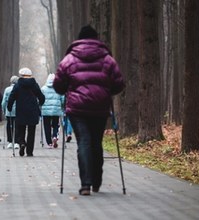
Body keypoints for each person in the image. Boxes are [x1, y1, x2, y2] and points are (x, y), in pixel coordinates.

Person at [53, 25, 125, 196]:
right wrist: (106, 92)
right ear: (96, 39)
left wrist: (67, 90)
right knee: (96, 142)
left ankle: (85, 183)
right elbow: (119, 84)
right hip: (100, 107)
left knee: (84, 142)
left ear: (79, 39)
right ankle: (97, 181)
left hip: (77, 108)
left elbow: (58, 84)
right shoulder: (107, 59)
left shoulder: (69, 59)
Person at [7, 67, 45, 157]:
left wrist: (9, 107)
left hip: (21, 110)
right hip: (33, 110)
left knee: (21, 129)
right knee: (31, 131)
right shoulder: (34, 84)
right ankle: (29, 151)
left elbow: (12, 97)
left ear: (21, 75)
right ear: (30, 75)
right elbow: (41, 97)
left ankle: (22, 143)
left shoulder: (18, 85)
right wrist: (40, 104)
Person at [40, 73, 64, 148]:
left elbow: (40, 98)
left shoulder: (43, 88)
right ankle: (54, 136)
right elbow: (63, 99)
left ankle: (49, 143)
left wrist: (40, 105)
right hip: (56, 110)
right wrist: (62, 105)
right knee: (56, 124)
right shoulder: (59, 88)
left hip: (46, 111)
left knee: (47, 126)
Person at [1, 75, 20, 149]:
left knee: (9, 126)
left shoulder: (7, 89)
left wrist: (3, 109)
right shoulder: (19, 89)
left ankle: (10, 142)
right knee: (17, 126)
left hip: (9, 111)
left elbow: (3, 102)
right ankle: (16, 142)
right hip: (18, 111)